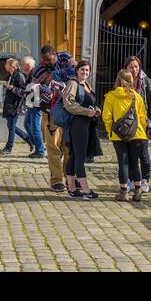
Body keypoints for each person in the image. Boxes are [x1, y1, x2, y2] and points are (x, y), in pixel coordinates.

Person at [102, 69, 148, 201]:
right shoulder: (137, 96)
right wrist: (141, 130)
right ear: (131, 80)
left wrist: (111, 130)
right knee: (135, 162)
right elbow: (142, 117)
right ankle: (138, 191)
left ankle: (123, 192)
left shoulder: (111, 96)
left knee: (123, 163)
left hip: (118, 135)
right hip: (137, 133)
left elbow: (107, 117)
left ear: (118, 79)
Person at [30, 46, 72, 191]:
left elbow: (77, 71)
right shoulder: (38, 70)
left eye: (49, 59)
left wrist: (55, 75)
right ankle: (56, 180)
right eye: (44, 60)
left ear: (55, 54)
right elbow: (33, 90)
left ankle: (70, 178)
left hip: (69, 109)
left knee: (68, 147)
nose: (46, 63)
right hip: (50, 111)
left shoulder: (65, 57)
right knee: (53, 148)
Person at [61, 60, 100, 199]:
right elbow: (69, 104)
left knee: (73, 156)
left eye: (87, 70)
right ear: (77, 71)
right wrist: (86, 112)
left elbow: (89, 102)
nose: (85, 72)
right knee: (79, 157)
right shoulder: (73, 83)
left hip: (86, 124)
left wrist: (96, 110)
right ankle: (86, 191)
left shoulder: (87, 85)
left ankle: (71, 189)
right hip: (78, 124)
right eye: (82, 70)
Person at [124, 55, 151, 194]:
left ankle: (144, 180)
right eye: (131, 66)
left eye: (136, 66)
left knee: (143, 152)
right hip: (128, 122)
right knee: (131, 152)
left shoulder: (146, 81)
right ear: (126, 68)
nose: (134, 69)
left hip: (143, 122)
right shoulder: (123, 80)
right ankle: (131, 179)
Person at [0, 57, 31, 154]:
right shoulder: (10, 75)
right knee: (10, 126)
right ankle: (29, 140)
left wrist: (13, 88)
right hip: (9, 104)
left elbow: (24, 91)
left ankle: (9, 148)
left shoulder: (19, 75)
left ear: (11, 66)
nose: (4, 65)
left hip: (16, 105)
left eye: (6, 64)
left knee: (11, 127)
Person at [19, 55, 45, 159]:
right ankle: (37, 144)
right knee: (27, 124)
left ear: (28, 65)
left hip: (36, 104)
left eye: (22, 64)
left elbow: (34, 89)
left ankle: (40, 150)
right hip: (31, 103)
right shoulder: (30, 73)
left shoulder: (34, 73)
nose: (20, 65)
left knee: (35, 128)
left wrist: (22, 92)